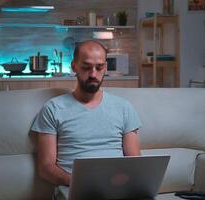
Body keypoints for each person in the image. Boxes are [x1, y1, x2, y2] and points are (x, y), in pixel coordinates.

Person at [31, 40, 141, 189]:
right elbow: (46, 168)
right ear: (74, 67)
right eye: (86, 67)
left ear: (105, 68)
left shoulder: (124, 108)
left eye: (99, 67)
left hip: (117, 189)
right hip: (74, 188)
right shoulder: (53, 109)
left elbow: (135, 163)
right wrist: (79, 183)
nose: (93, 74)